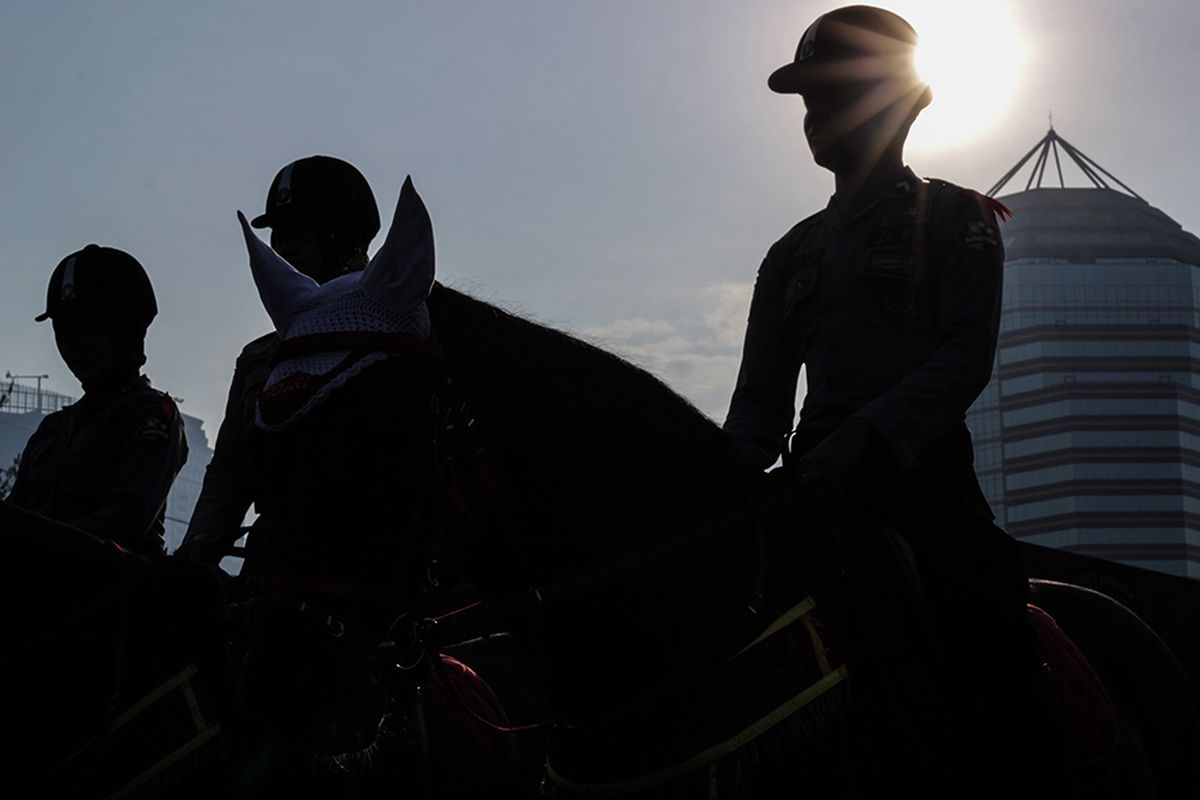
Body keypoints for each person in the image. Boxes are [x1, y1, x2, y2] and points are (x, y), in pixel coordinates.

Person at [723, 6, 1067, 793]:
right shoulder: (790, 254)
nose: (815, 116)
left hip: (923, 492)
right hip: (808, 498)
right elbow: (759, 406)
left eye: (833, 94)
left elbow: (961, 359)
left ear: (899, 99)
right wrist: (723, 484)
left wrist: (863, 440)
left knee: (986, 632)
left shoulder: (958, 219)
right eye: (808, 100)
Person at [176, 155, 381, 566]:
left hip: (374, 569)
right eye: (277, 235)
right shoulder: (258, 358)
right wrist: (197, 548)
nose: (282, 248)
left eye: (296, 232)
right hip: (274, 572)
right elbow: (230, 470)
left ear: (338, 234)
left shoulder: (400, 337)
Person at [6, 245, 188, 557]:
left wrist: (35, 548)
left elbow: (127, 519)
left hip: (113, 595)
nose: (76, 345)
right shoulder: (52, 428)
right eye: (65, 331)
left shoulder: (151, 414)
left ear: (126, 331)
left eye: (90, 329)